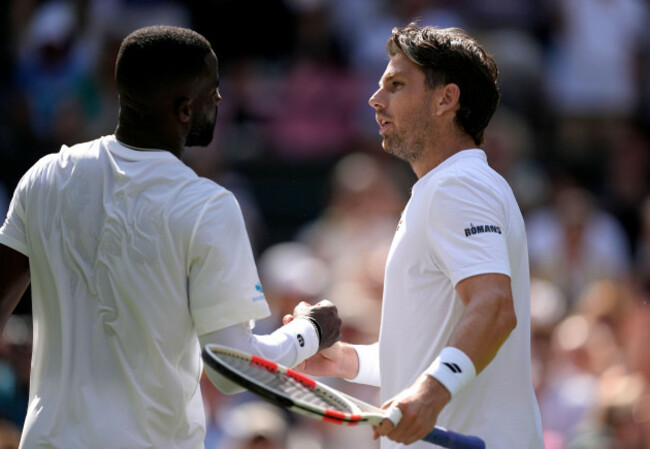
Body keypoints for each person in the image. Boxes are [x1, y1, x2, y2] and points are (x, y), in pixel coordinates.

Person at [0, 25, 341, 449]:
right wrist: (309, 332)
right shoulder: (208, 207)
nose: (219, 100)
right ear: (183, 110)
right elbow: (232, 370)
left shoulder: (45, 176)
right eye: (211, 90)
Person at [290, 23, 544, 448]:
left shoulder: (458, 185)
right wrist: (348, 360)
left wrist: (430, 393)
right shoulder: (451, 186)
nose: (375, 99)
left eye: (396, 84)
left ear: (446, 99)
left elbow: (495, 308)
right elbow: (425, 349)